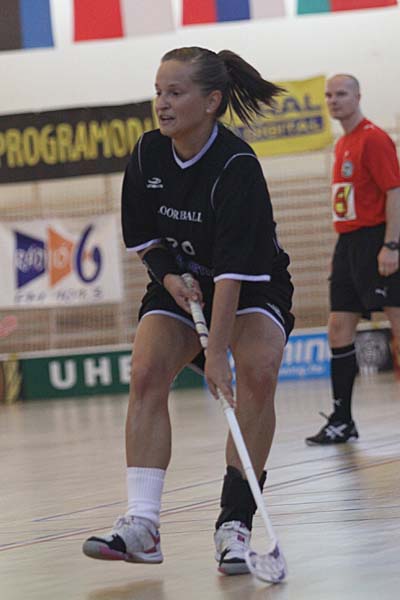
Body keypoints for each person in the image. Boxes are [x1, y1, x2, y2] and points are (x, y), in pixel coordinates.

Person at [82, 46, 294, 575]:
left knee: (258, 374)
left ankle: (234, 524)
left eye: (175, 93)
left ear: (211, 101)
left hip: (250, 285)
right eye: (158, 92)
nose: (162, 103)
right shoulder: (148, 153)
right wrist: (169, 277)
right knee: (146, 371)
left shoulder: (237, 167)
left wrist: (216, 353)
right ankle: (142, 525)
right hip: (180, 281)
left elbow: (233, 274)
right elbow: (143, 237)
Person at [306, 74, 400, 446]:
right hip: (348, 244)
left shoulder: (373, 138)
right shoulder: (343, 142)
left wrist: (392, 245)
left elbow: (394, 192)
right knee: (338, 328)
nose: (334, 100)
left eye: (341, 93)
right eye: (329, 95)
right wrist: (341, 252)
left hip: (377, 239)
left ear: (358, 96)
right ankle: (342, 419)